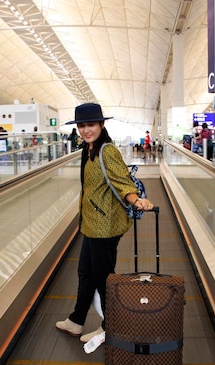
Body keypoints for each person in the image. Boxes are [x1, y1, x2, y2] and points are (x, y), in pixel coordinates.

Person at [55, 103, 155, 343]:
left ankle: (111, 326)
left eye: (91, 124)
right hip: (91, 223)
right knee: (85, 273)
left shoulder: (107, 151)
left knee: (103, 278)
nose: (86, 130)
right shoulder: (87, 149)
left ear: (101, 124)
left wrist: (136, 200)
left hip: (106, 226)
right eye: (81, 125)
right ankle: (77, 320)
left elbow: (122, 181)